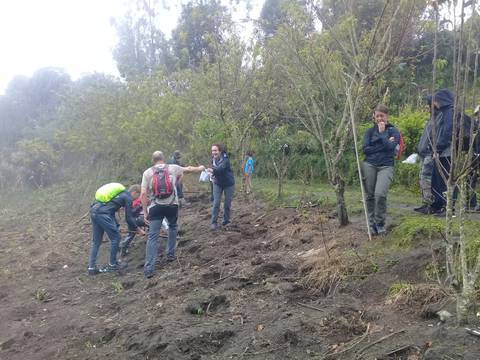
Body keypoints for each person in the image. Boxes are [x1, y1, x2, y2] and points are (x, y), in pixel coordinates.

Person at [141, 151, 205, 278]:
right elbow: (189, 169)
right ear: (163, 159)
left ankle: (149, 269)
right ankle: (170, 254)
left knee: (153, 236)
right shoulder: (173, 167)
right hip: (172, 205)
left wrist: (145, 211)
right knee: (173, 226)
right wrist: (201, 168)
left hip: (155, 207)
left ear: (153, 160)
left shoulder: (147, 172)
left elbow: (143, 194)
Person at [88, 183, 144, 275]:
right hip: (102, 214)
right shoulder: (128, 197)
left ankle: (91, 268)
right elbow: (129, 218)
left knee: (96, 241)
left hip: (95, 211)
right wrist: (138, 229)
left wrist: (116, 226)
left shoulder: (119, 194)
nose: (137, 198)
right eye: (138, 195)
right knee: (116, 238)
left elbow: (110, 210)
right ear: (134, 192)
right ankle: (112, 265)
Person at [362, 104, 400, 235]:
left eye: (382, 116)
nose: (379, 118)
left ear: (387, 116)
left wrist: (383, 134)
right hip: (369, 165)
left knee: (380, 194)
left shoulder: (393, 131)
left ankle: (380, 223)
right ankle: (371, 224)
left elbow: (392, 148)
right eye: (377, 116)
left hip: (386, 166)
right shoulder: (369, 132)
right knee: (370, 195)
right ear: (374, 117)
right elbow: (365, 150)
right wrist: (384, 143)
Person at [428, 89, 455, 215]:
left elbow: (447, 132)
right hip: (444, 151)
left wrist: (437, 149)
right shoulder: (448, 111)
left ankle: (447, 207)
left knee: (443, 180)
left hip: (445, 152)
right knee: (439, 179)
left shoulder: (448, 112)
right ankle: (440, 205)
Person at [414, 95, 435, 213]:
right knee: (422, 178)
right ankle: (425, 203)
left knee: (426, 178)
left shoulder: (437, 118)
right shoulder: (431, 119)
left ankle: (429, 204)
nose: (427, 107)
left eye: (428, 105)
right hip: (424, 154)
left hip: (429, 154)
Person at [207, 143, 235, 230]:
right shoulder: (213, 160)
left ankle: (226, 221)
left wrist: (211, 170)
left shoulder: (225, 160)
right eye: (212, 151)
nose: (213, 152)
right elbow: (213, 173)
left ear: (220, 151)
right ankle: (213, 223)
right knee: (216, 202)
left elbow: (220, 169)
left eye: (215, 150)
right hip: (217, 183)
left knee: (227, 203)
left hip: (229, 184)